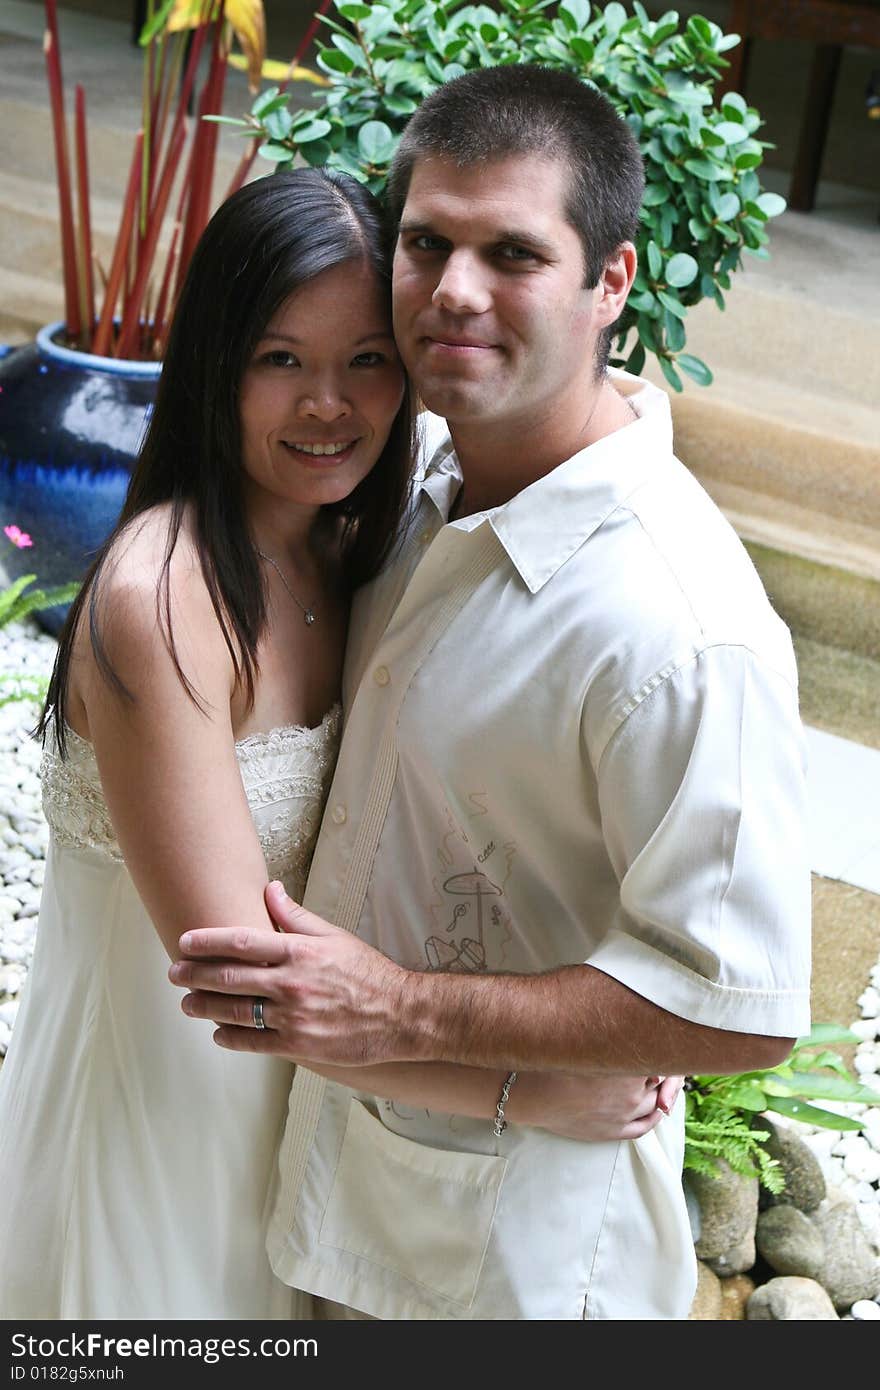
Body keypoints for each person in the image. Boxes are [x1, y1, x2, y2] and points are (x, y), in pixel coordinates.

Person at [172, 65, 813, 1322]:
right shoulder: (402, 480)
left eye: (513, 252)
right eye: (427, 241)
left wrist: (399, 1007)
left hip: (509, 1268)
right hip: (323, 1208)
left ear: (610, 282)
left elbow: (738, 1009)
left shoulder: (680, 629)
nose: (453, 291)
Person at [0, 164, 678, 1322]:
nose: (330, 405)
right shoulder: (164, 602)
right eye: (281, 361)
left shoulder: (355, 545)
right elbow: (240, 990)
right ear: (215, 363)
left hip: (311, 1117)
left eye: (367, 359)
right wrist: (527, 1088)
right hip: (163, 1120)